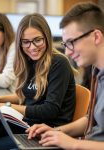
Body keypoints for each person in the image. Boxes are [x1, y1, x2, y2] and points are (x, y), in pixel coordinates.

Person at [0, 13, 76, 150]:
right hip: (29, 123)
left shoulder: (58, 63)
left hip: (46, 129)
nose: (32, 47)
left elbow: (49, 110)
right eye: (26, 42)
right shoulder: (30, 61)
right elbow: (26, 95)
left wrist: (7, 106)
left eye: (38, 40)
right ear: (20, 43)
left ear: (47, 37)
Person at [26, 2, 104, 150]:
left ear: (96, 36)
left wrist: (74, 144)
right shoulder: (97, 72)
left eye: (71, 42)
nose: (67, 52)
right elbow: (91, 120)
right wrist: (56, 132)